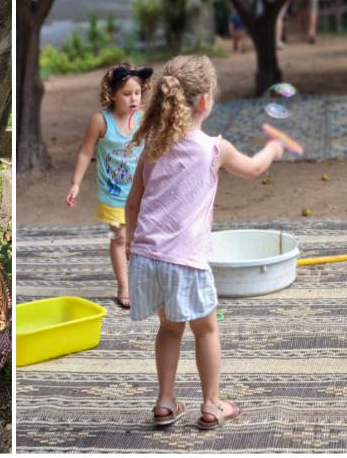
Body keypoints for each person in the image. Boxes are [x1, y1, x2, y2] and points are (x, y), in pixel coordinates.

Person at [124, 55, 284, 428]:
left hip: (148, 258)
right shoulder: (214, 148)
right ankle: (212, 404)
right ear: (205, 102)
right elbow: (254, 168)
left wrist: (133, 244)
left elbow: (133, 204)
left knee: (168, 329)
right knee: (206, 330)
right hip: (185, 262)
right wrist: (273, 149)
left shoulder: (151, 145)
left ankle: (165, 402)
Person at [66, 63, 153, 307]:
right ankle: (124, 286)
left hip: (144, 193)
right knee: (119, 238)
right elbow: (86, 152)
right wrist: (75, 184)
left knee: (143, 237)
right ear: (112, 94)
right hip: (114, 197)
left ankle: (146, 281)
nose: (134, 98)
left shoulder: (144, 118)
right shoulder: (100, 121)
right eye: (127, 94)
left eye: (137, 93)